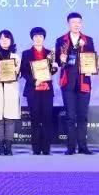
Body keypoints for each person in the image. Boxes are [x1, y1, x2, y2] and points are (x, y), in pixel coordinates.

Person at [54, 12, 94, 155]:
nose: (76, 25)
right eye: (73, 22)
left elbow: (91, 58)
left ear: (81, 24)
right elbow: (57, 62)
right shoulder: (61, 40)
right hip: (68, 83)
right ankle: (71, 147)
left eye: (79, 22)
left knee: (82, 116)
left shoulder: (88, 40)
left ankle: (83, 146)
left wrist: (93, 67)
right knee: (70, 117)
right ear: (68, 24)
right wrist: (60, 59)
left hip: (84, 82)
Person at [20, 26, 57, 155]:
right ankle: (36, 148)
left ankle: (46, 148)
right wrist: (34, 81)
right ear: (32, 38)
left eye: (41, 36)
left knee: (47, 119)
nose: (38, 38)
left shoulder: (50, 53)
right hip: (33, 90)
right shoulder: (26, 53)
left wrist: (55, 68)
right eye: (35, 36)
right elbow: (23, 72)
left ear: (44, 38)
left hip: (47, 90)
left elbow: (52, 70)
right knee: (35, 120)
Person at [0, 30, 21, 155]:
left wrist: (14, 73)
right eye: (1, 38)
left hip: (11, 89)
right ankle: (1, 147)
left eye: (7, 38)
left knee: (10, 119)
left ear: (11, 41)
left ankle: (9, 147)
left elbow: (19, 74)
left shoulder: (16, 57)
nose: (4, 41)